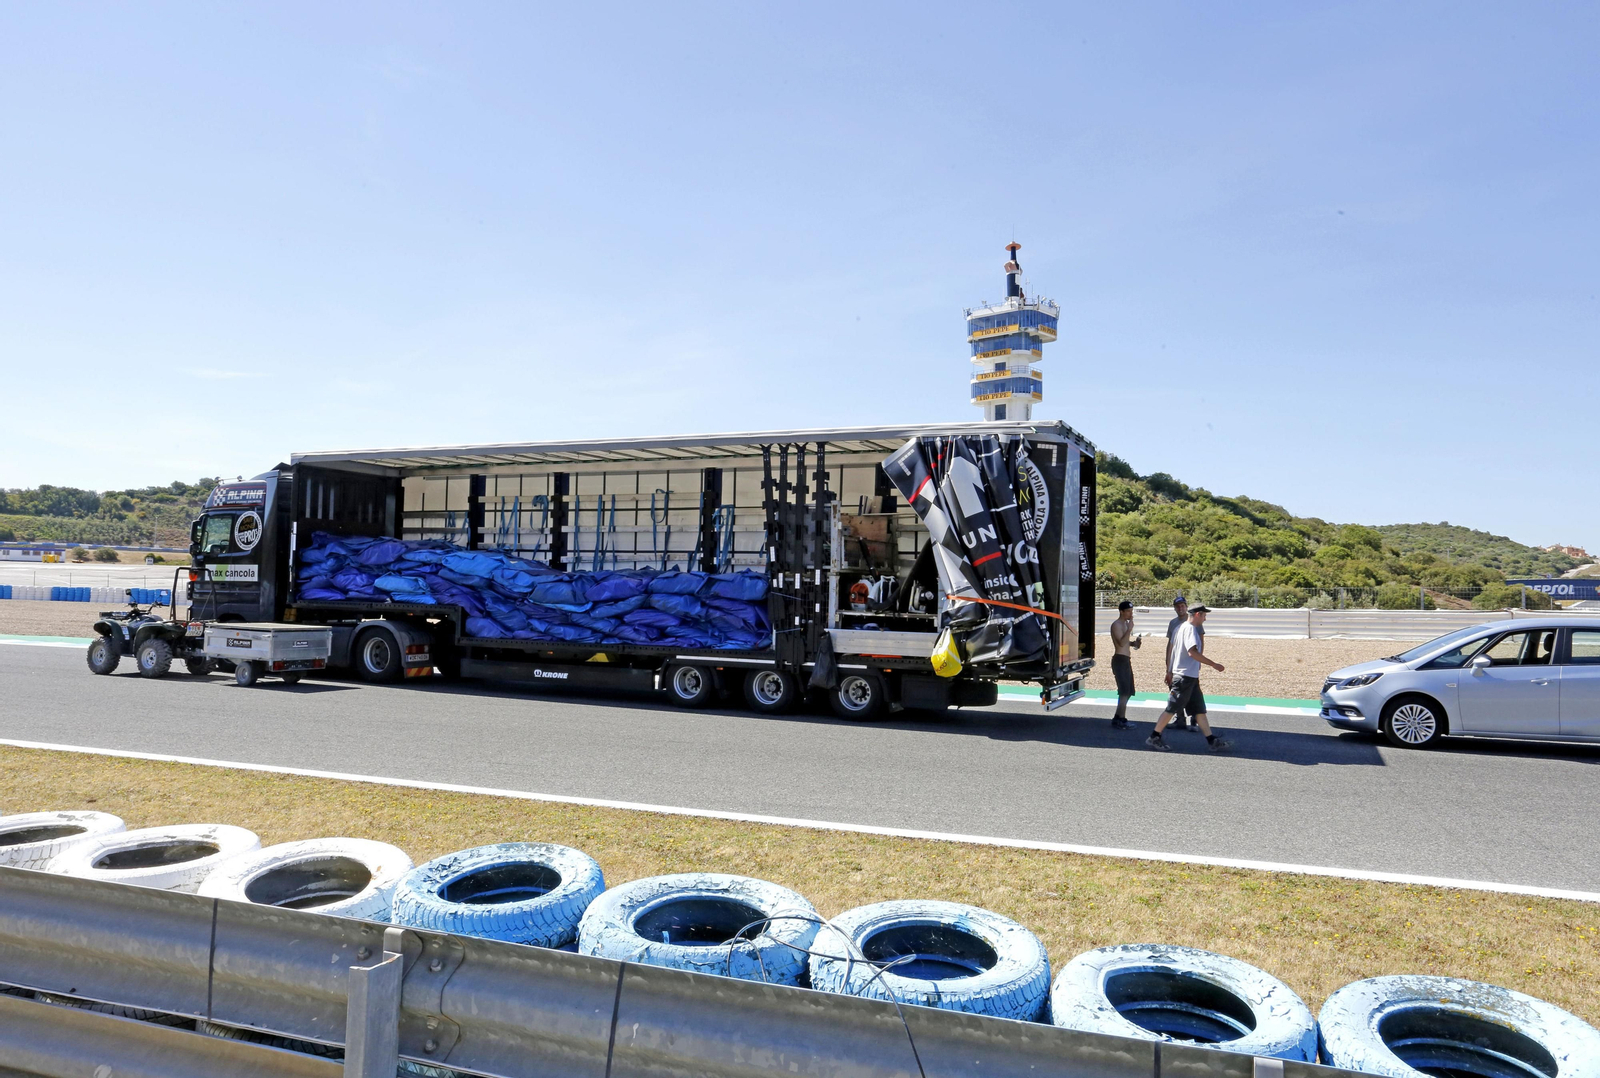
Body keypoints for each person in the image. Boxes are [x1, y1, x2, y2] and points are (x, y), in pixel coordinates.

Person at [1147, 604, 1231, 752]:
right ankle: (1154, 736)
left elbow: (1173, 651)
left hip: (1190, 677)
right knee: (1171, 709)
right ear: (1198, 614)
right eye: (1204, 615)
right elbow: (1192, 652)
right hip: (1184, 677)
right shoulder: (1190, 629)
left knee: (1199, 710)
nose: (1205, 618)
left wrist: (1170, 670)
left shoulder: (1180, 628)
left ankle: (1212, 740)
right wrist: (1213, 664)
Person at [1163, 596, 1198, 731]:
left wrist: (1198, 661)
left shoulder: (1193, 622)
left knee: (1191, 692)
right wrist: (1168, 666)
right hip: (1176, 663)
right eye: (1178, 606)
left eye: (1183, 606)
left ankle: (1194, 718)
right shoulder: (1173, 623)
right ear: (1174, 608)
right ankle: (1180, 718)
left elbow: (1199, 641)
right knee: (1174, 690)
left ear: (1186, 607)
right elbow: (1170, 645)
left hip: (1189, 664)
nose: (1180, 608)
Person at [1108, 600, 1141, 728]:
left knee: (1128, 691)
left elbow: (1126, 642)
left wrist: (1134, 643)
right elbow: (1120, 643)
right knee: (1124, 691)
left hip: (1126, 659)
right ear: (1121, 612)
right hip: (1119, 659)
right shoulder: (1116, 624)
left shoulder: (1125, 625)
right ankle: (1120, 718)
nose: (1130, 614)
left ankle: (1119, 716)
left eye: (1131, 611)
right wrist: (1130, 629)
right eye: (1128, 611)